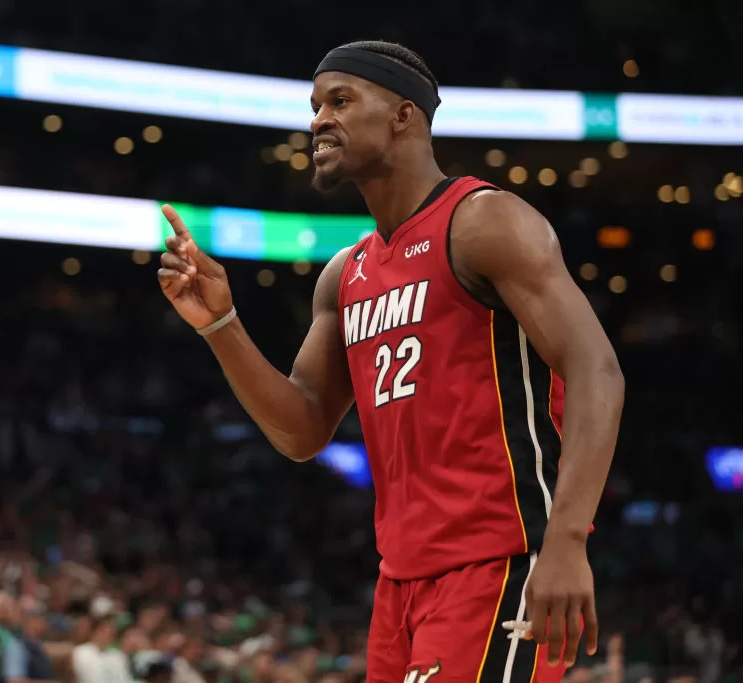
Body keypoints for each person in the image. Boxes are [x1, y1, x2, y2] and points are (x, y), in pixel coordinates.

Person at [157, 39, 624, 683]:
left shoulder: (485, 223)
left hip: (501, 564)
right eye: (316, 105)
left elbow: (597, 370)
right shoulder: (343, 275)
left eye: (340, 101)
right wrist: (220, 324)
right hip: (399, 585)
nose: (318, 119)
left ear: (404, 115)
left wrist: (568, 541)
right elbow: (301, 429)